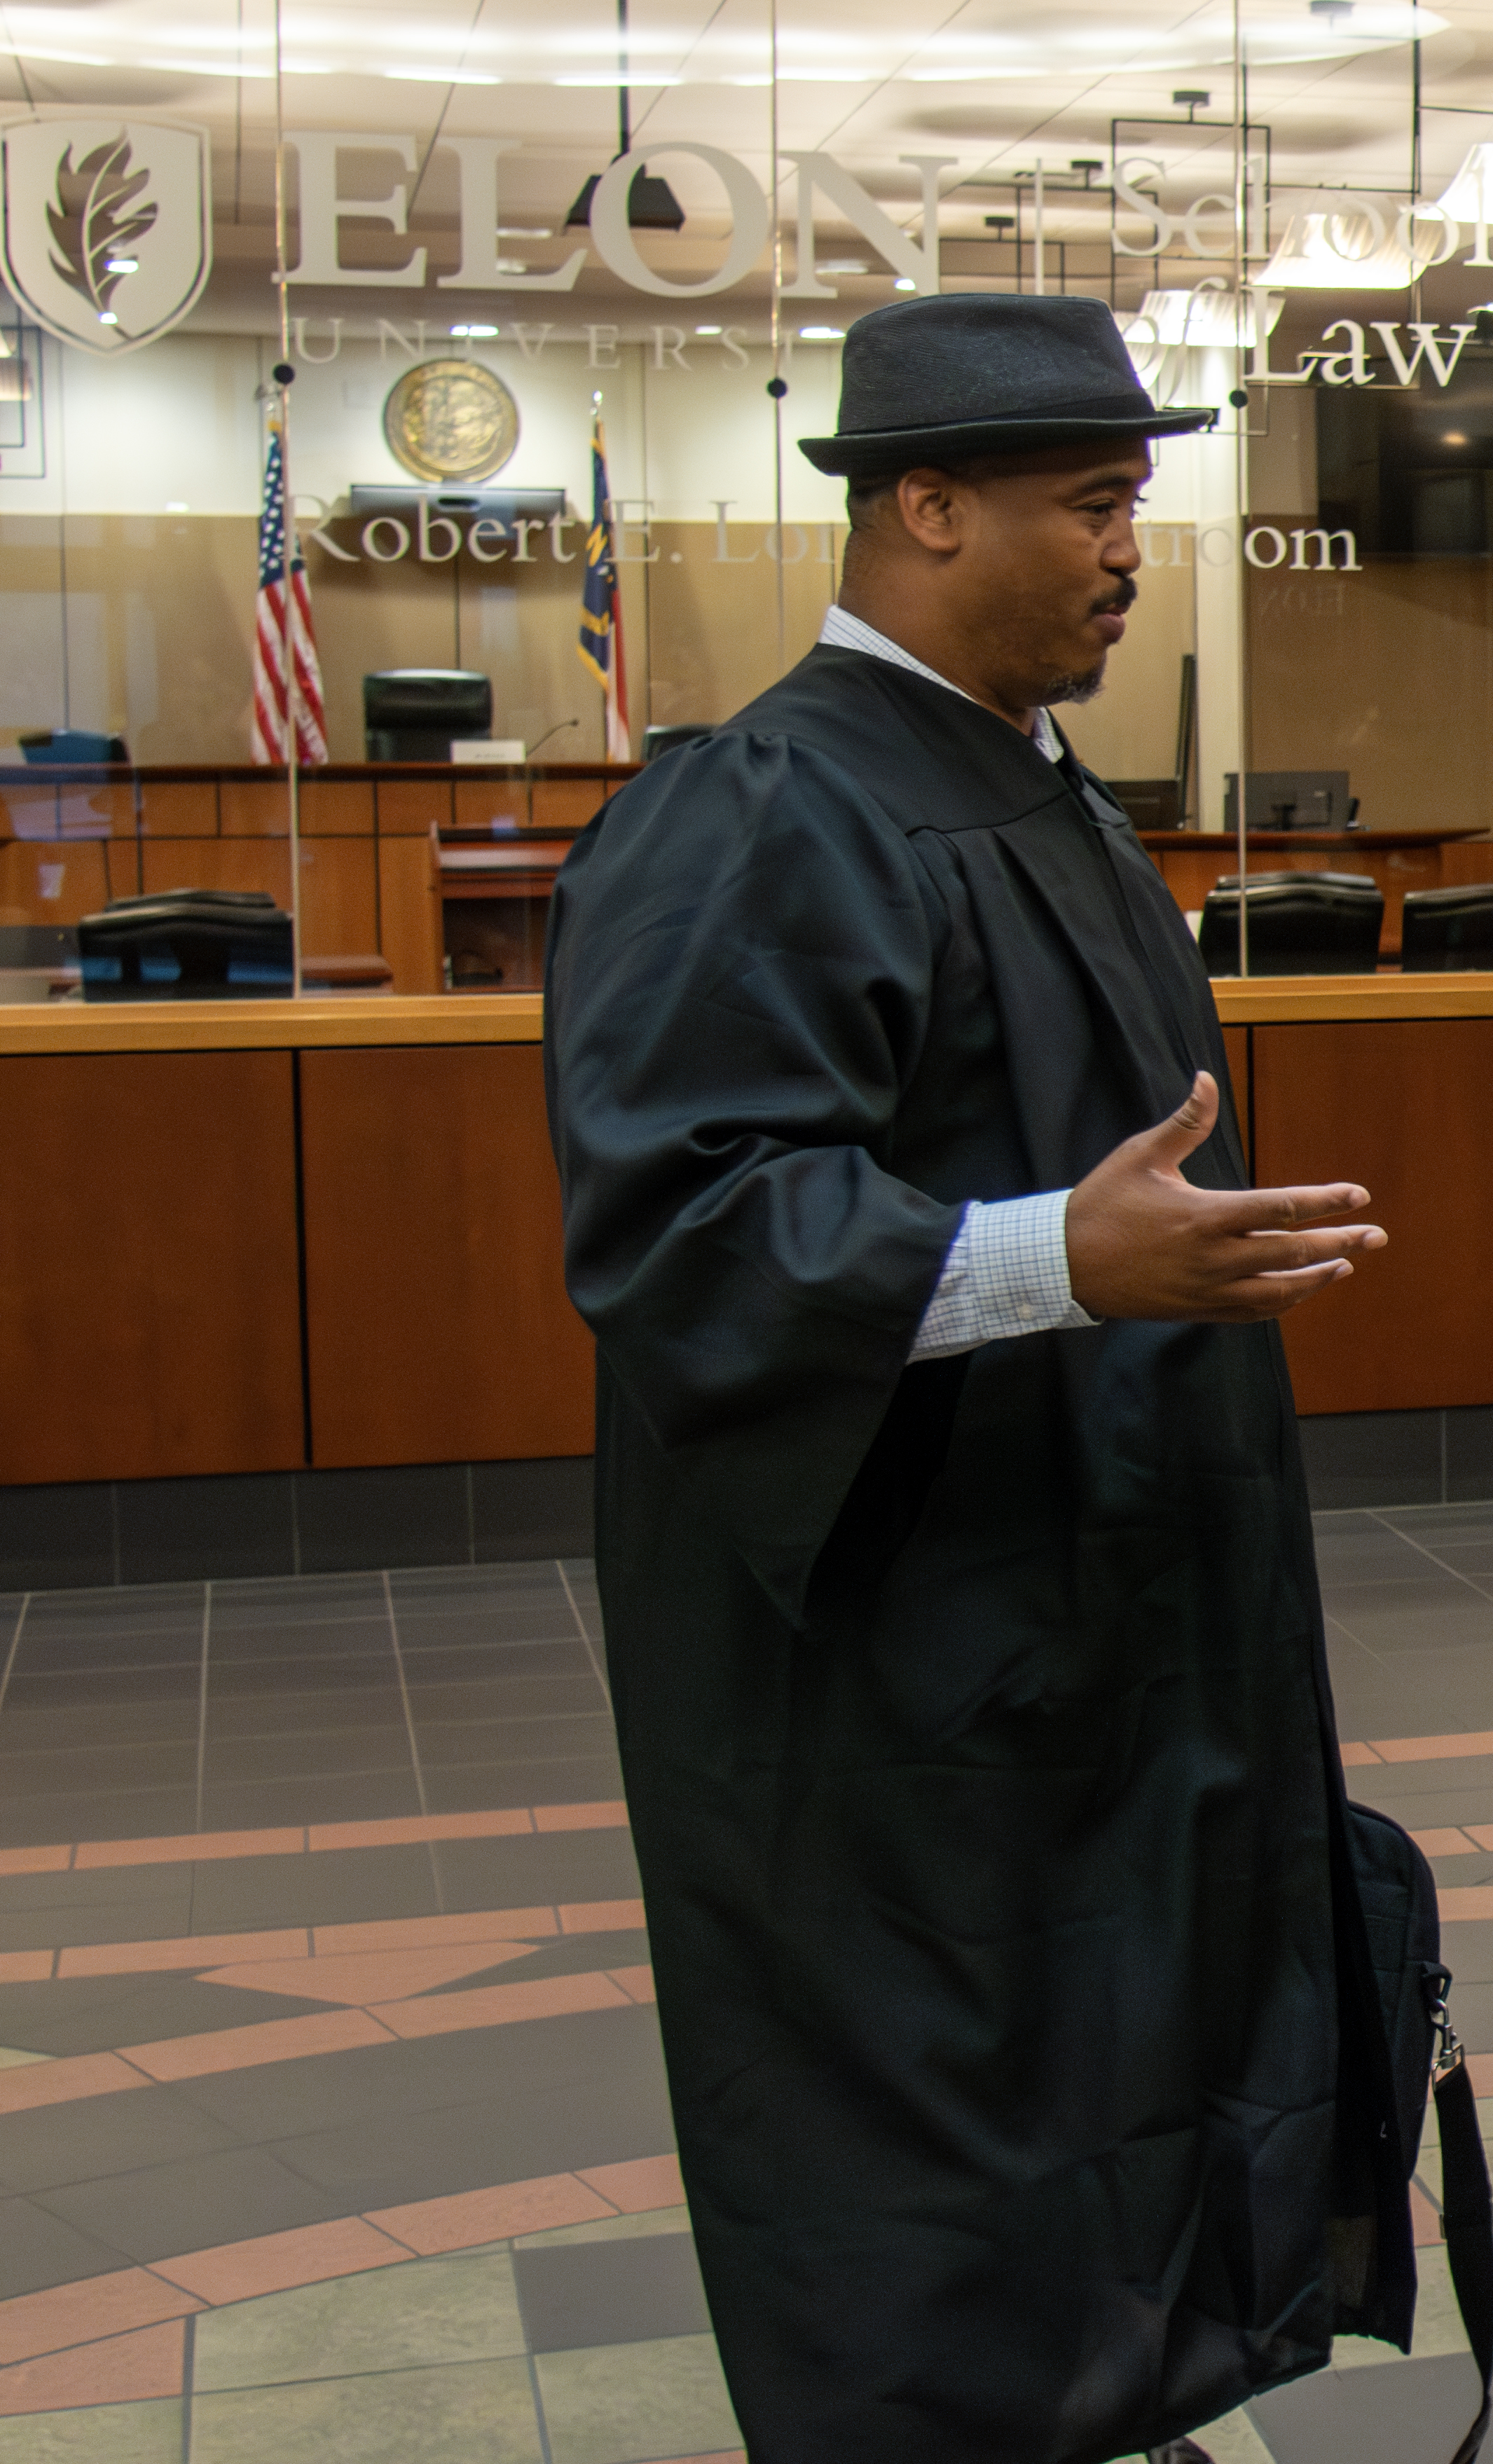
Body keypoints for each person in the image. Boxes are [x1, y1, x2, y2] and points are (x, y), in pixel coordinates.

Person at [544, 292, 1406, 2464]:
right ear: (920, 505)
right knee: (942, 2223)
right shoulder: (761, 815)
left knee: (1116, 2149)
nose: (1134, 548)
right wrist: (1060, 1256)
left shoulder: (1040, 802)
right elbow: (686, 1231)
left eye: (1136, 501)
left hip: (1103, 1645)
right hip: (913, 1694)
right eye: (1091, 503)